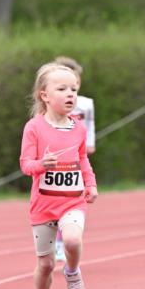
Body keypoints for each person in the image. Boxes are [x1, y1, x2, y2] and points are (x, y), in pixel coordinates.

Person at [19, 63, 98, 289]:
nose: (70, 95)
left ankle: (73, 272)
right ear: (44, 95)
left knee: (73, 240)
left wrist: (91, 184)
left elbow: (83, 159)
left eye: (74, 89)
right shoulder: (34, 128)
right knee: (45, 264)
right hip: (43, 206)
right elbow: (26, 165)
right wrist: (43, 164)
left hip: (71, 201)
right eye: (62, 89)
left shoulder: (78, 128)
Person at [53, 55, 96, 261]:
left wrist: (89, 144)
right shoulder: (50, 106)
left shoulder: (86, 105)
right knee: (55, 202)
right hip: (54, 164)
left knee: (71, 201)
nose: (72, 90)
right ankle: (57, 239)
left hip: (77, 162)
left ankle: (65, 240)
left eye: (75, 84)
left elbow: (89, 126)